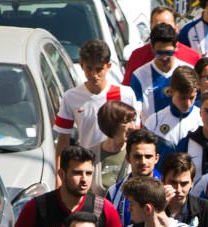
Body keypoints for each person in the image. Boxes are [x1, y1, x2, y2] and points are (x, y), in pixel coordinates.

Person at [9, 145, 123, 227]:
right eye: (77, 173)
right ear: (61, 174)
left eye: (89, 173)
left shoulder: (104, 207)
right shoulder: (38, 206)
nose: (84, 179)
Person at [54, 40, 137, 170]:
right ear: (82, 65)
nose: (94, 75)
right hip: (88, 166)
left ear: (108, 66)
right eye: (89, 68)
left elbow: (135, 132)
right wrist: (59, 174)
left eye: (99, 69)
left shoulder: (125, 94)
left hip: (121, 165)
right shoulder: (70, 97)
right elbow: (63, 139)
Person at [124, 8, 202, 86]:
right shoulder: (137, 57)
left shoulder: (193, 57)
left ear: (176, 28)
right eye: (157, 26)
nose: (162, 30)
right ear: (150, 28)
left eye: (168, 26)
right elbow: (127, 90)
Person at [131, 23, 191, 121]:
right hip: (151, 134)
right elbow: (136, 113)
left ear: (176, 46)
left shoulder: (189, 71)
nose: (164, 58)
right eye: (159, 53)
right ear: (151, 47)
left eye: (168, 52)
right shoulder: (139, 76)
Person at [107, 128, 163, 227]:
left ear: (156, 158)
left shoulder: (167, 189)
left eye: (148, 156)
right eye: (137, 156)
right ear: (128, 158)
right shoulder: (113, 193)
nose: (143, 162)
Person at [145, 67, 203, 160]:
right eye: (183, 98)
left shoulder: (203, 119)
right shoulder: (153, 122)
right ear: (171, 91)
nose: (188, 103)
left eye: (191, 98)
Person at [92, 100, 138, 194]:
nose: (133, 127)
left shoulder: (137, 153)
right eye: (126, 122)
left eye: (133, 120)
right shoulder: (91, 154)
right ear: (111, 124)